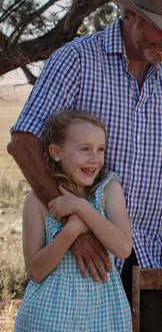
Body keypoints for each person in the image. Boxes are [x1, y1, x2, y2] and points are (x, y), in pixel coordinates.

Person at [7, 0, 162, 330]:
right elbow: (24, 142)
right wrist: (73, 227)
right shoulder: (76, 59)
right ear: (133, 14)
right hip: (76, 256)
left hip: (147, 256)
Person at [14, 110, 132, 331]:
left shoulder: (108, 191)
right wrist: (72, 230)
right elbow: (35, 271)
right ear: (56, 152)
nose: (95, 159)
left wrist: (81, 207)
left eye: (100, 149)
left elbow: (123, 248)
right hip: (49, 316)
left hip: (104, 314)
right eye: (85, 149)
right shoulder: (36, 202)